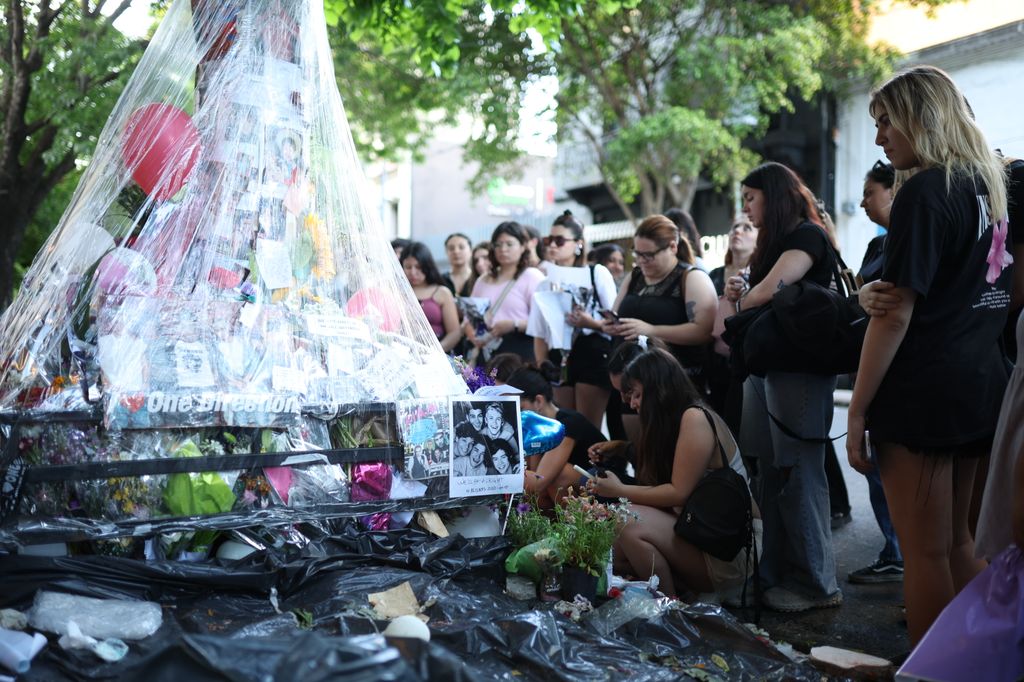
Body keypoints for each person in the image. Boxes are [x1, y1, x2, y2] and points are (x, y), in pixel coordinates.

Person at [845, 65, 1010, 646]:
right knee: (960, 545)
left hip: (924, 394)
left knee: (924, 556)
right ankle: (983, 660)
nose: (880, 136)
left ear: (925, 115)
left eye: (888, 120)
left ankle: (935, 668)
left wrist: (858, 410)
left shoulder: (923, 190)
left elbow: (896, 314)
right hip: (981, 383)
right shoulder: (990, 185)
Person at [725, 161, 842, 613]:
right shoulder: (778, 241)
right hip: (771, 365)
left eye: (751, 199)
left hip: (800, 367)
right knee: (770, 471)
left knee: (798, 471)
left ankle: (817, 584)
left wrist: (746, 289)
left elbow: (765, 293)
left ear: (773, 196)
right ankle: (777, 573)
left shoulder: (807, 236)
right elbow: (755, 292)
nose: (747, 208)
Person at [588, 348, 761, 600]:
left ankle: (668, 612)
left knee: (625, 518)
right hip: (702, 535)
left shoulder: (694, 417)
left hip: (730, 549)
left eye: (635, 394)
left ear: (658, 388)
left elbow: (678, 493)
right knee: (612, 546)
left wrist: (619, 491)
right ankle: (673, 594)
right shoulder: (672, 421)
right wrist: (623, 450)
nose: (631, 403)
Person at [843, 160, 905, 585]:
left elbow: (892, 311)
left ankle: (904, 555)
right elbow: (860, 298)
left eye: (871, 192)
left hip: (903, 372)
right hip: (873, 368)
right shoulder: (874, 247)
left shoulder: (911, 238)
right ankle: (894, 550)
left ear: (893, 191)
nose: (864, 201)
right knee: (878, 471)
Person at [605, 214, 717, 393]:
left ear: (672, 247)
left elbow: (704, 331)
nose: (641, 260)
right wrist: (613, 325)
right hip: (627, 378)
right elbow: (616, 312)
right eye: (637, 253)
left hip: (673, 381)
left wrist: (651, 330)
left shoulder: (692, 278)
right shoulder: (635, 276)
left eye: (648, 255)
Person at [529, 210, 618, 428]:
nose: (552, 246)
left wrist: (591, 323)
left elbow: (617, 322)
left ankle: (590, 463)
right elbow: (539, 334)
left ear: (578, 244)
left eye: (559, 241)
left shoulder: (596, 273)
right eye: (549, 240)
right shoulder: (543, 284)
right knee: (563, 427)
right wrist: (542, 365)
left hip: (592, 352)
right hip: (558, 357)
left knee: (587, 427)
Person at [506, 366, 607, 505]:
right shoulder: (536, 430)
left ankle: (577, 525)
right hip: (584, 490)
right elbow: (532, 477)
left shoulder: (566, 424)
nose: (515, 415)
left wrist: (492, 474)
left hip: (608, 487)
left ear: (539, 401)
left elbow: (538, 481)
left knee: (557, 477)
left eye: (520, 408)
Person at [466, 222, 546, 362]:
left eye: (509, 244)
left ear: (523, 246)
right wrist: (473, 335)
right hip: (486, 354)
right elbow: (469, 318)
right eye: (498, 244)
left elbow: (543, 321)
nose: (503, 249)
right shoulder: (483, 280)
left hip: (519, 353)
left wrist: (514, 324)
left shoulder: (532, 276)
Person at [706, 215, 758, 430]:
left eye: (747, 227)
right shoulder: (714, 275)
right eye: (735, 226)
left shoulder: (762, 275)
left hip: (746, 363)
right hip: (714, 363)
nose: (738, 231)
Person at [400, 242, 462, 353]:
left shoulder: (442, 292)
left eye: (418, 267)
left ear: (427, 266)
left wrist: (436, 352)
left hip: (437, 355)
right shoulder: (397, 293)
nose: (413, 272)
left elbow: (454, 333)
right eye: (408, 267)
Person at [442, 233, 475, 297]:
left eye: (461, 247)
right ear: (446, 252)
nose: (456, 251)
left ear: (471, 251)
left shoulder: (479, 279)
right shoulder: (440, 280)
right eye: (451, 248)